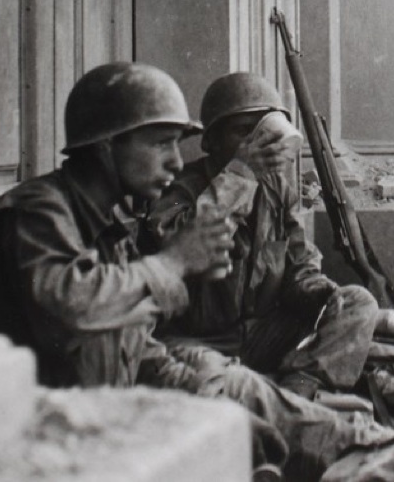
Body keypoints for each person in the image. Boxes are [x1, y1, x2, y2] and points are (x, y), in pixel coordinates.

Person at [0, 62, 390, 481]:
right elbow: (71, 305)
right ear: (105, 146)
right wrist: (174, 262)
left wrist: (215, 408)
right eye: (160, 143)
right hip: (11, 441)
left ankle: (359, 437)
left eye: (178, 143)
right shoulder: (37, 212)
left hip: (84, 418)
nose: (176, 160)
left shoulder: (108, 230)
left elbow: (139, 350)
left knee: (267, 410)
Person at [144, 72, 379, 402]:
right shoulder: (181, 186)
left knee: (358, 302)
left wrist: (318, 290)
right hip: (196, 339)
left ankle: (301, 386)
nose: (257, 143)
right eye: (243, 132)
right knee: (208, 375)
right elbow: (171, 240)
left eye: (264, 131)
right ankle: (275, 399)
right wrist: (239, 175)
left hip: (261, 334)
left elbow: (300, 265)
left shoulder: (278, 192)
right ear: (210, 141)